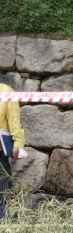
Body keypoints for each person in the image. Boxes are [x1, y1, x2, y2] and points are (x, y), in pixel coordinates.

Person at [0, 83, 25, 219]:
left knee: (3, 194)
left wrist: (18, 143)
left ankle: (4, 227)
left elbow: (14, 120)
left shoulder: (5, 91)